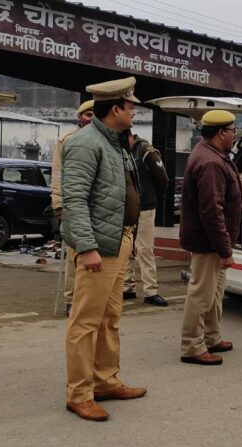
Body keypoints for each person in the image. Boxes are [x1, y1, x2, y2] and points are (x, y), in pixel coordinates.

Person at [62, 77, 147, 422]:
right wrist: (86, 247)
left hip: (119, 240)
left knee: (110, 318)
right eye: (131, 107)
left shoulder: (114, 142)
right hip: (99, 247)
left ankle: (106, 380)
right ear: (115, 109)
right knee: (85, 322)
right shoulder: (86, 143)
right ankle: (79, 394)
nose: (134, 112)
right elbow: (75, 199)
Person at [179, 110, 242, 366]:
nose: (234, 135)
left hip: (213, 241)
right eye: (232, 130)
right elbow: (211, 211)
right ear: (221, 133)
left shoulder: (213, 154)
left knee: (215, 293)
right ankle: (192, 345)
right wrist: (225, 248)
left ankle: (212, 337)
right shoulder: (211, 163)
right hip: (208, 242)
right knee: (202, 294)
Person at [51, 100, 94, 316]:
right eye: (88, 115)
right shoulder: (65, 141)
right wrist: (58, 204)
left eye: (95, 115)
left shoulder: (108, 140)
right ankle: (71, 299)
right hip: (74, 205)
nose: (91, 119)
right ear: (80, 118)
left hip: (98, 207)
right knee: (74, 257)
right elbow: (58, 175)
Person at [122, 133, 170, 306]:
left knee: (144, 249)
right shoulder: (122, 150)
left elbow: (162, 179)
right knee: (126, 248)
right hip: (127, 207)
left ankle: (151, 291)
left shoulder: (145, 151)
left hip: (145, 207)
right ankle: (127, 287)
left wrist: (150, 198)